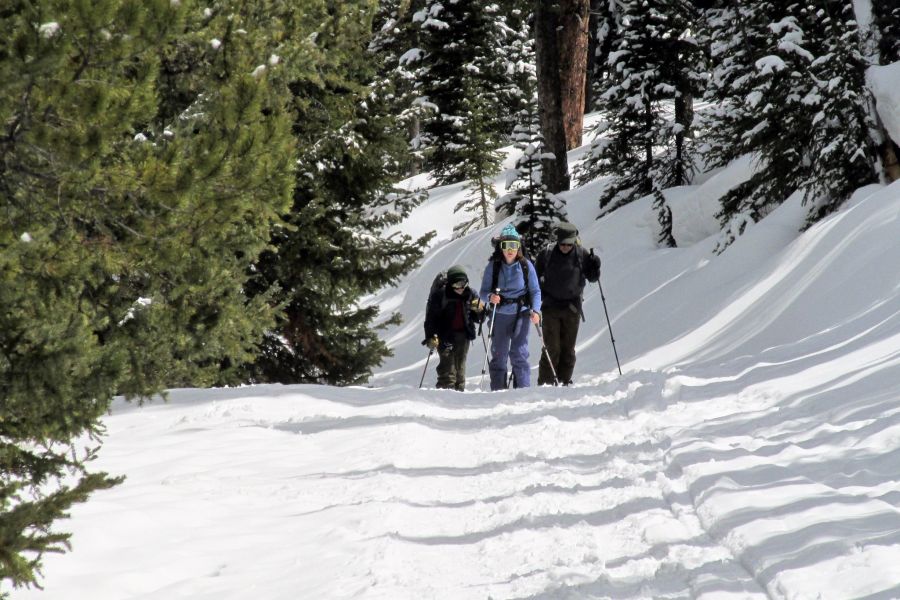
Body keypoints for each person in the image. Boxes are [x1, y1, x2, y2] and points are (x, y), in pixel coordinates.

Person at [534, 222, 601, 386]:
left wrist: (595, 266)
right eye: (562, 244)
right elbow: (534, 278)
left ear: (574, 241)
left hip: (572, 309)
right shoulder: (547, 254)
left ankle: (564, 382)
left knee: (568, 350)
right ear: (557, 241)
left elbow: (592, 278)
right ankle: (546, 384)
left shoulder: (581, 254)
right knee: (552, 348)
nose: (565, 247)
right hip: (550, 307)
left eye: (569, 244)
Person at [479, 224, 541, 390]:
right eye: (506, 245)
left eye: (514, 245)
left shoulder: (526, 265)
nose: (510, 250)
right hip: (499, 315)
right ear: (501, 247)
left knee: (519, 353)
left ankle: (523, 391)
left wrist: (536, 310)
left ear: (518, 246)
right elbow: (483, 292)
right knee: (499, 354)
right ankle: (498, 390)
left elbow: (535, 291)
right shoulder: (493, 266)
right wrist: (490, 297)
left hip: (521, 313)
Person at [423, 265, 485, 391]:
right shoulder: (440, 295)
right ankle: (445, 393)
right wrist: (431, 336)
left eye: (464, 283)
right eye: (457, 284)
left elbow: (479, 319)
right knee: (447, 368)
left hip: (463, 335)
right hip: (444, 334)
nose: (461, 288)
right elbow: (431, 318)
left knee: (460, 367)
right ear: (451, 284)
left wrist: (479, 310)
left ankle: (459, 394)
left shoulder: (471, 294)